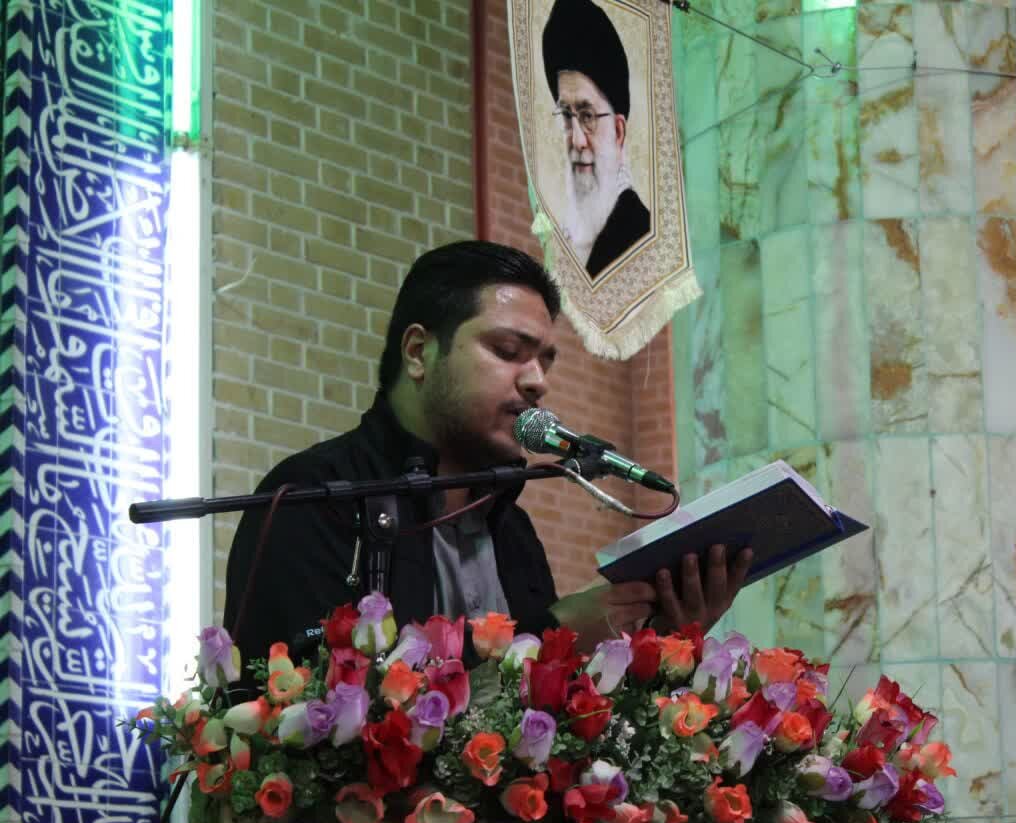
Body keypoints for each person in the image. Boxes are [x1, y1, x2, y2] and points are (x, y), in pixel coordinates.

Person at [222, 241, 748, 687]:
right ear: (418, 352)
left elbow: (543, 730)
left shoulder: (513, 530)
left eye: (544, 360)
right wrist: (553, 634)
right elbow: (312, 716)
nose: (537, 381)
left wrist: (659, 646)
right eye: (508, 350)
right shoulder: (312, 497)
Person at [542, 0, 650, 278]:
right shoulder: (567, 240)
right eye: (567, 116)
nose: (577, 141)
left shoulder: (641, 236)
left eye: (588, 116)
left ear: (618, 132)